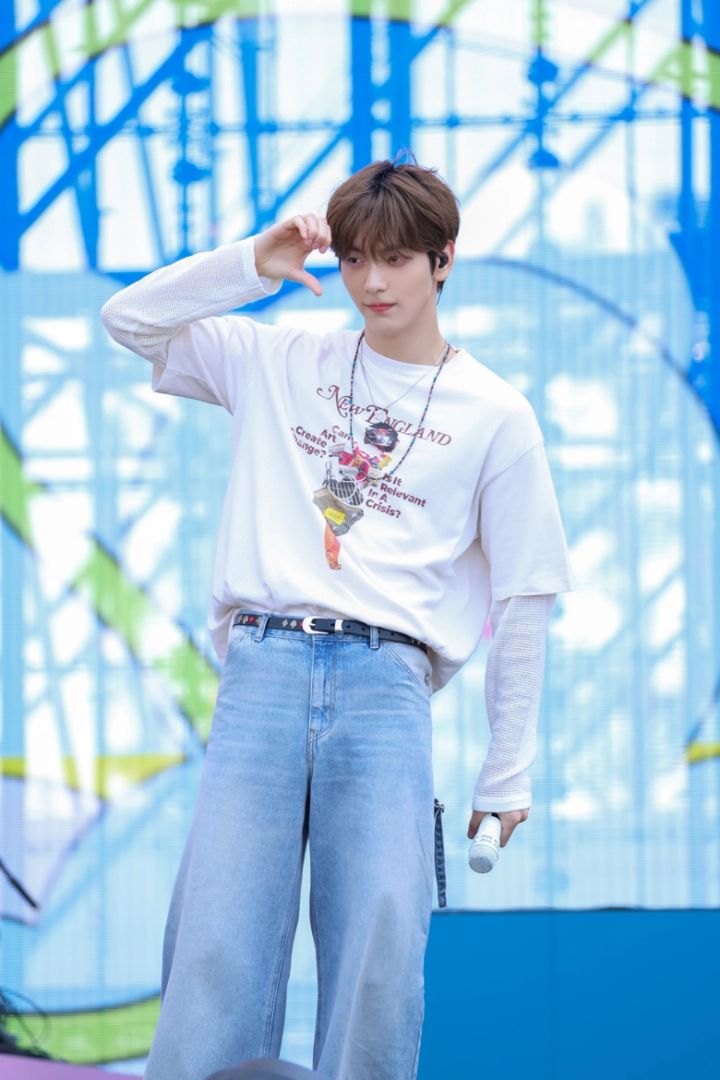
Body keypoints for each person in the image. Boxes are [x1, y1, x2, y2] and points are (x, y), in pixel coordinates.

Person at [100, 154, 575, 1080]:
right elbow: (129, 319)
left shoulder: (496, 414)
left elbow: (525, 594)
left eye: (395, 259)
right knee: (215, 940)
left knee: (381, 945)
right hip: (264, 669)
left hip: (387, 685)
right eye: (355, 259)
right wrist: (254, 262)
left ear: (443, 259)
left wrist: (506, 770)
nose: (371, 282)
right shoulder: (280, 358)